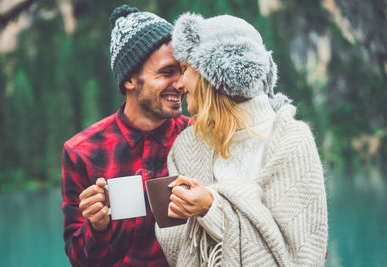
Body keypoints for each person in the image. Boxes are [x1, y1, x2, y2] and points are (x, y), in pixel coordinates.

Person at [155, 13, 328, 266]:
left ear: (212, 73)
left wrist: (212, 207)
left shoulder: (292, 142)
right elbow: (174, 247)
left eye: (184, 70)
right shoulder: (186, 147)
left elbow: (303, 258)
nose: (180, 84)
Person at [61, 5, 189, 267]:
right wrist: (96, 227)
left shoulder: (198, 136)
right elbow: (79, 260)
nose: (181, 84)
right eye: (166, 72)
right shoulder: (82, 152)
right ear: (130, 79)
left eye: (182, 71)